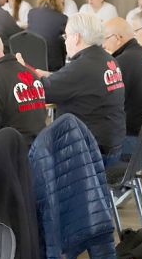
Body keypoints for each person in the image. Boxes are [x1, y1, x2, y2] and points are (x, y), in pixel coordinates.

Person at [26, 13, 125, 166]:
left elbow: (41, 92)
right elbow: (78, 82)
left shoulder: (82, 66)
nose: (65, 43)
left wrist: (21, 71)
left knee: (27, 152)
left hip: (90, 152)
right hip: (112, 144)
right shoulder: (107, 59)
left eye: (66, 36)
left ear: (76, 37)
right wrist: (51, 75)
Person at [102, 17, 142, 155]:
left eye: (105, 38)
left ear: (117, 38)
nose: (103, 45)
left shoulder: (124, 61)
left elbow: (105, 99)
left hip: (134, 140)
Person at [26, 0, 68, 71]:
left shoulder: (32, 13)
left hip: (32, 62)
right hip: (53, 66)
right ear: (58, 0)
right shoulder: (62, 18)